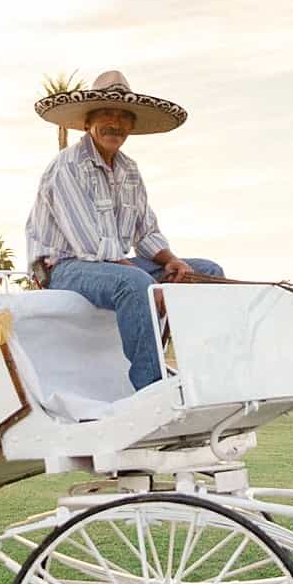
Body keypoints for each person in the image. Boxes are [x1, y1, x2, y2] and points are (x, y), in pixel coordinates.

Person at [26, 69, 224, 390]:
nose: (114, 122)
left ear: (132, 126)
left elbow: (145, 232)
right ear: (89, 121)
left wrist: (172, 261)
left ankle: (205, 377)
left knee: (206, 272)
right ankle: (151, 388)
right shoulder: (67, 166)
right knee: (135, 284)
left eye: (123, 116)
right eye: (106, 113)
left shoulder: (129, 170)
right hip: (62, 267)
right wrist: (148, 280)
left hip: (111, 265)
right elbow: (89, 244)